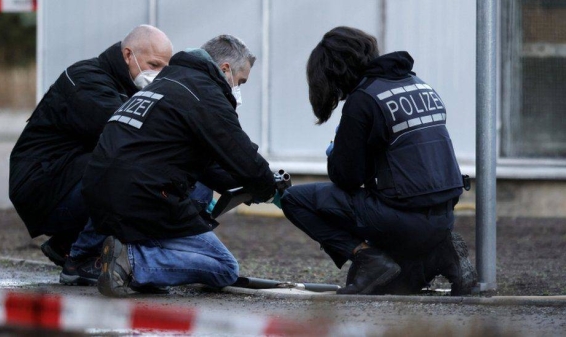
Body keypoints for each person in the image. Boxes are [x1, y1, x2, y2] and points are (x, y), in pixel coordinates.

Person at [280, 26, 477, 296]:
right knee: (380, 287)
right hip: (443, 218)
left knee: (295, 200)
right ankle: (443, 253)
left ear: (336, 70)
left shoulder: (363, 99)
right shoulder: (418, 84)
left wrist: (336, 147)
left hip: (402, 219)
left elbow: (346, 178)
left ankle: (367, 256)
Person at [81, 35, 280, 297]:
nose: (238, 89)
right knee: (223, 269)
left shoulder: (166, 84)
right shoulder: (204, 93)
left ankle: (113, 259)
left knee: (182, 248)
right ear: (225, 70)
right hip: (145, 197)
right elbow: (244, 158)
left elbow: (207, 165)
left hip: (102, 195)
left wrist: (248, 188)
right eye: (240, 82)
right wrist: (268, 188)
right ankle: (133, 262)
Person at [9, 25, 174, 285]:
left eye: (165, 68)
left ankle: (67, 245)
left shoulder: (130, 87)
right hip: (42, 184)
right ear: (128, 55)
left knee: (141, 171)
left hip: (67, 176)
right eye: (154, 64)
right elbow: (126, 136)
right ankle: (80, 259)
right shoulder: (87, 80)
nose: (159, 74)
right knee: (126, 171)